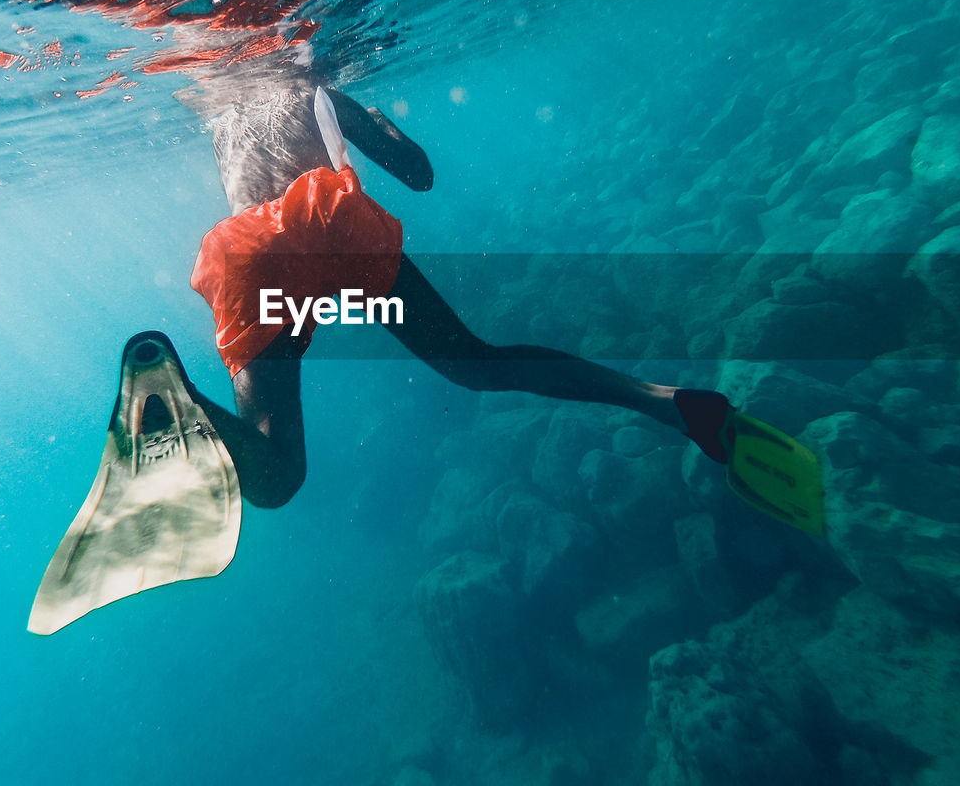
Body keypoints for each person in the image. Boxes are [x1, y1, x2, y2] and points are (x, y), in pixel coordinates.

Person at [180, 69, 735, 509]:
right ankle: (660, 401)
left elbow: (260, 204)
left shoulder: (223, 118)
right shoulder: (316, 91)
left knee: (275, 478)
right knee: (477, 364)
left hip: (246, 255)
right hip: (333, 228)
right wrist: (376, 122)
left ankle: (177, 397)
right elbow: (419, 175)